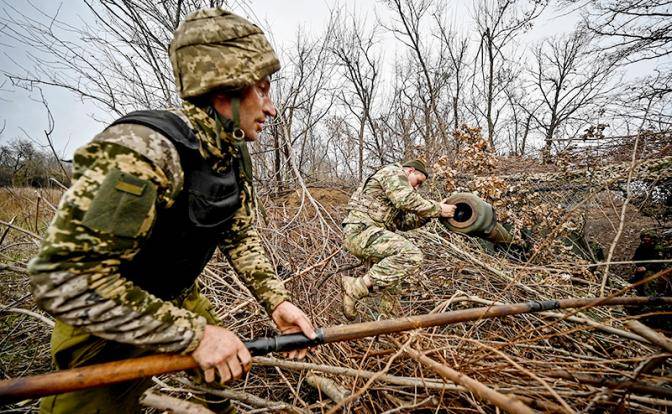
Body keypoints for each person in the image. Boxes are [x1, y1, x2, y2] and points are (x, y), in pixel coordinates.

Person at [28, 8, 315, 413]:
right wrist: (195, 336)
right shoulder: (141, 151)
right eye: (262, 89)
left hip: (177, 292)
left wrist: (276, 301)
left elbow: (238, 232)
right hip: (108, 318)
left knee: (222, 380)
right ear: (225, 89)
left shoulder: (229, 150)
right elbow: (64, 278)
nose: (270, 108)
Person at [340, 159, 456, 320]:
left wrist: (432, 215)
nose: (417, 187)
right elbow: (406, 200)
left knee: (392, 285)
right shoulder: (393, 172)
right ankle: (356, 287)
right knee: (411, 255)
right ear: (409, 171)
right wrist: (437, 208)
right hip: (361, 232)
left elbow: (404, 223)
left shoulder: (394, 192)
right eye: (418, 181)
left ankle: (387, 327)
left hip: (369, 234)